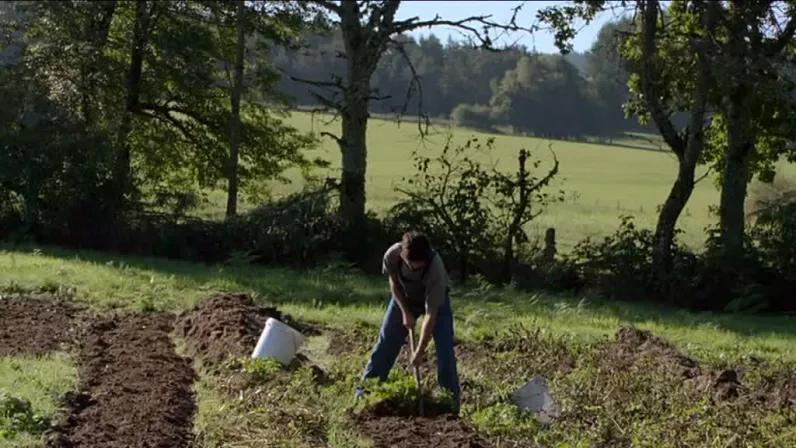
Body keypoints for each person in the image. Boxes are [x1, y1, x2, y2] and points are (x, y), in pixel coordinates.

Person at [354, 231, 461, 408]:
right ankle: (364, 394)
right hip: (403, 298)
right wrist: (405, 312)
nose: (413, 270)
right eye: (410, 266)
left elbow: (431, 313)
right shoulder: (392, 256)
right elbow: (394, 283)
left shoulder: (436, 269)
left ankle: (450, 402)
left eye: (418, 268)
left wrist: (419, 351)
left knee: (445, 350)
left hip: (436, 304)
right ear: (403, 255)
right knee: (386, 341)